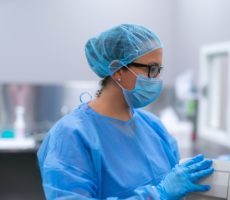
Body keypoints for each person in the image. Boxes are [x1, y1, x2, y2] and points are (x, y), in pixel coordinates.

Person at [37, 24, 214, 200]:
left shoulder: (153, 126)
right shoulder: (71, 136)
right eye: (152, 69)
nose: (157, 79)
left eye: (159, 70)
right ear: (118, 71)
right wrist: (158, 194)